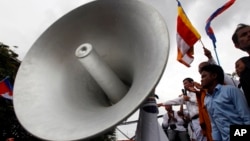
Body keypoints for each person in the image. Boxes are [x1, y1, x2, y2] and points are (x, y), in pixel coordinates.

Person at [200, 64, 250, 141]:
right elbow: (214, 125)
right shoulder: (207, 99)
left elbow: (246, 117)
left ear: (214, 76)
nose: (201, 80)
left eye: (204, 76)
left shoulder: (231, 90)